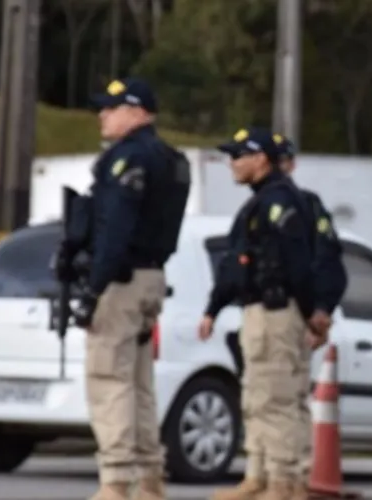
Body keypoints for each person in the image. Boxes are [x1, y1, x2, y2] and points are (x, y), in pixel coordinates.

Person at [66, 77, 190, 500]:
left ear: (137, 113)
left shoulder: (127, 160)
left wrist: (92, 289)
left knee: (109, 379)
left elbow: (115, 230)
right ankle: (150, 480)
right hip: (151, 276)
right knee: (138, 382)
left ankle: (116, 483)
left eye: (112, 107)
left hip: (120, 279)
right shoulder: (170, 159)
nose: (103, 114)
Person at [198, 128, 316, 500]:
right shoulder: (263, 200)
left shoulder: (278, 202)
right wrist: (214, 308)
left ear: (260, 159)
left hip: (274, 313)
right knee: (262, 397)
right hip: (264, 311)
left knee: (275, 401)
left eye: (239, 156)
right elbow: (238, 264)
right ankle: (266, 479)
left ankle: (282, 485)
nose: (232, 163)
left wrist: (311, 313)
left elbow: (299, 264)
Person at [276, 138, 348, 350]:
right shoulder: (256, 206)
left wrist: (321, 308)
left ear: (292, 164)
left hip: (294, 314)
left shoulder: (308, 205)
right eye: (273, 161)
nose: (278, 167)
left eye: (282, 161)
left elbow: (328, 258)